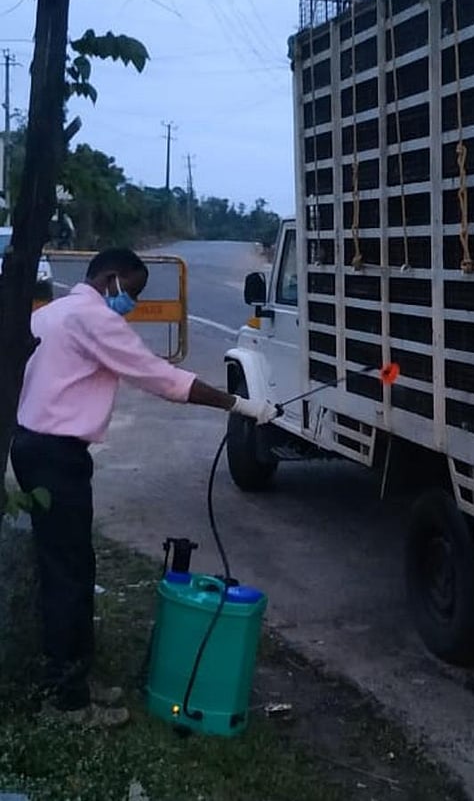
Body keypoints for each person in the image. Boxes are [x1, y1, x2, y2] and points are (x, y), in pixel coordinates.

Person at [9, 247, 276, 728]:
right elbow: (162, 378)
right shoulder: (94, 319)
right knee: (67, 573)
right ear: (111, 278)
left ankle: (75, 678)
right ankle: (65, 702)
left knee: (72, 564)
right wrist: (240, 405)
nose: (130, 302)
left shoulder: (57, 311)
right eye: (131, 291)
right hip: (55, 456)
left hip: (35, 446)